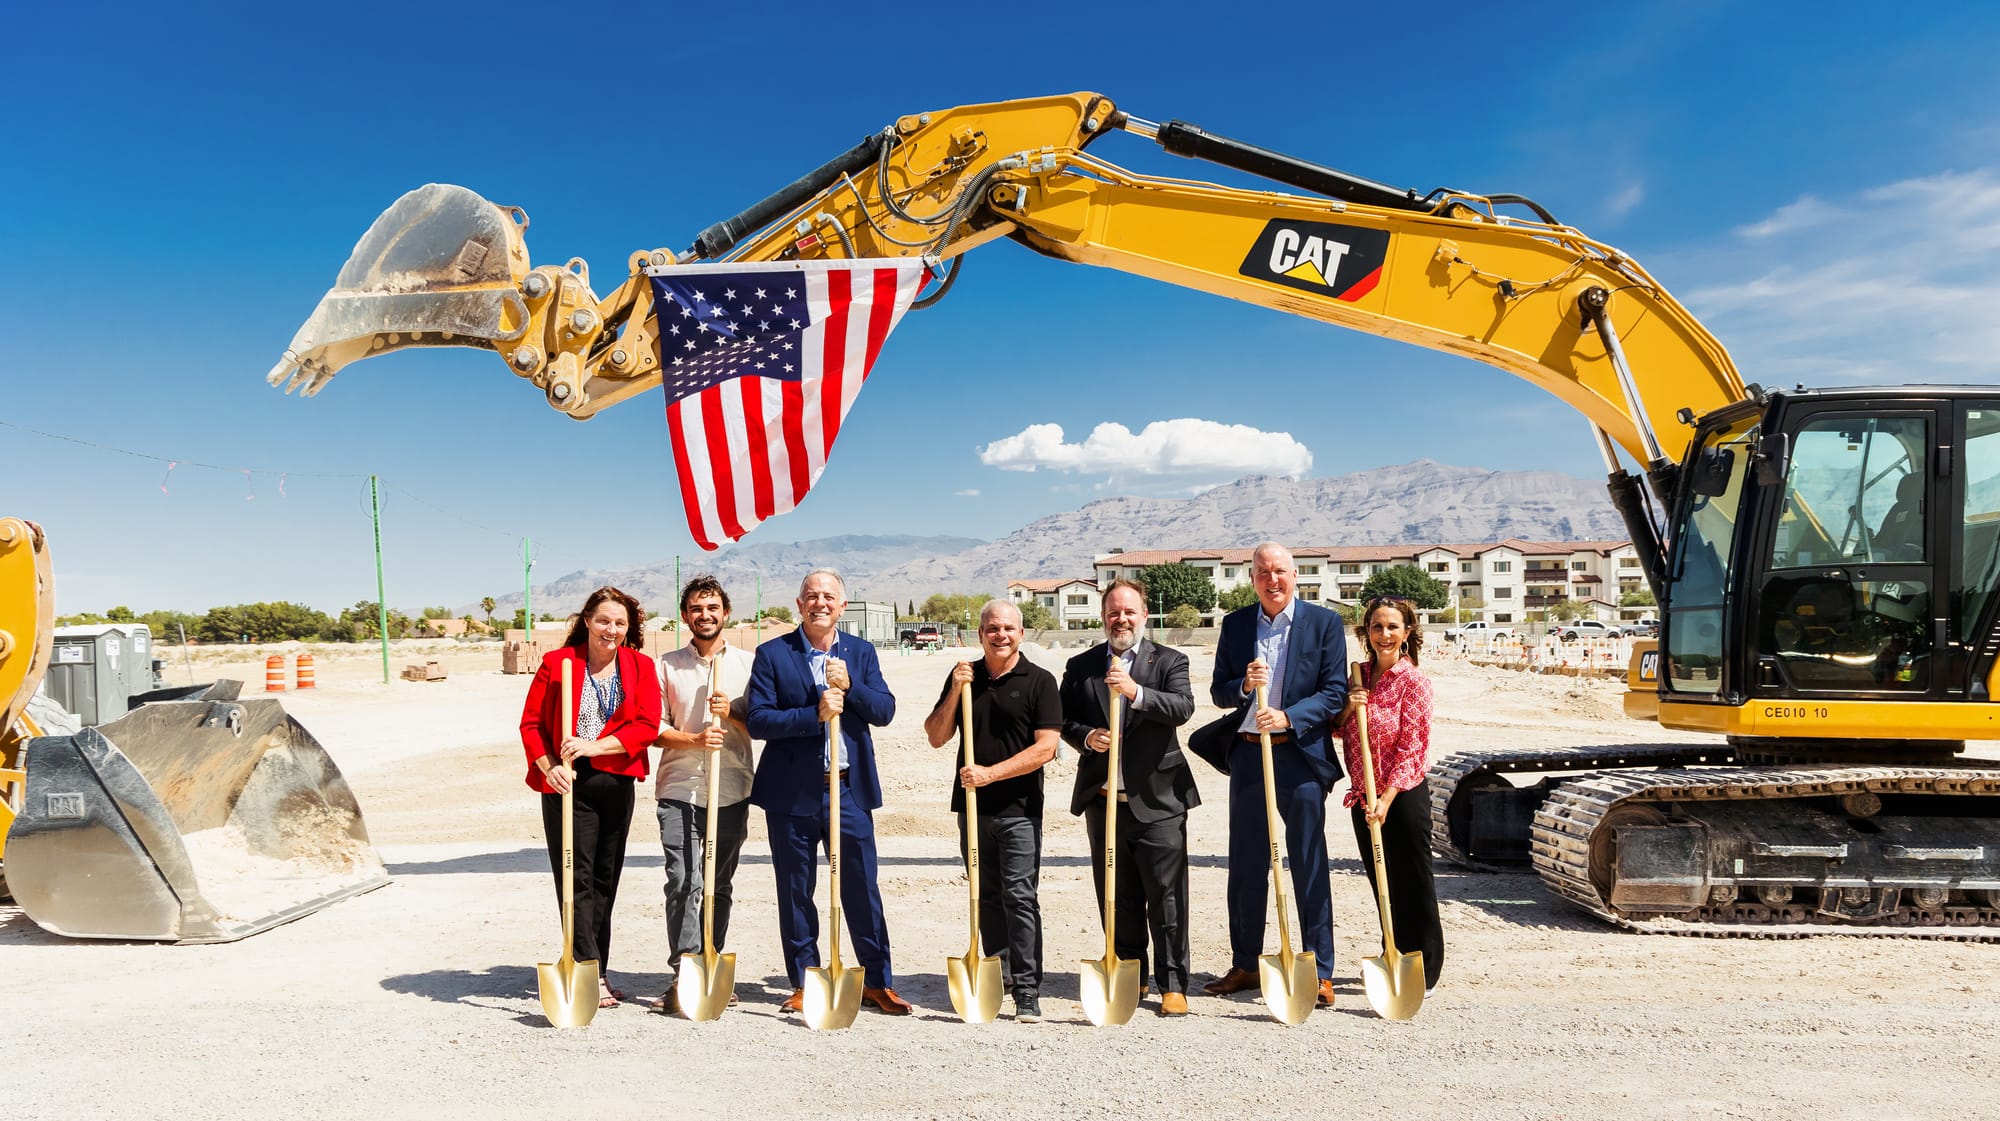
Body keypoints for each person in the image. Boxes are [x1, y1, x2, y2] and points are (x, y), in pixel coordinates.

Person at [1190, 543, 1348, 1009]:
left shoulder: (1324, 623)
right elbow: (1219, 692)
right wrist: (1242, 684)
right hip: (1247, 754)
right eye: (1262, 572)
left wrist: (1288, 716)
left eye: (1279, 571)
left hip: (1297, 754)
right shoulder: (1236, 625)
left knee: (1308, 860)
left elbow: (1335, 691)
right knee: (1245, 862)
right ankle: (1245, 963)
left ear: (1295, 575)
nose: (1272, 579)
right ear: (1252, 578)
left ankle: (1318, 970)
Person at [746, 568, 911, 1015]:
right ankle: (805, 981)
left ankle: (877, 981)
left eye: (829, 597)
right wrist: (813, 714)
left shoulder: (860, 653)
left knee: (861, 887)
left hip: (847, 791)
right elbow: (759, 720)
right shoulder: (771, 654)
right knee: (797, 889)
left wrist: (850, 687)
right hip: (792, 795)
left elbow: (885, 710)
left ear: (842, 606)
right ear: (798, 605)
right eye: (811, 596)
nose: (820, 602)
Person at [1059, 579, 1199, 1017]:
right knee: (1116, 894)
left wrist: (1135, 693)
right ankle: (1130, 973)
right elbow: (1062, 719)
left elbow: (1182, 707)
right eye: (1114, 612)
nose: (1122, 619)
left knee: (1167, 895)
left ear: (1144, 616)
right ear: (1104, 617)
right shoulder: (1080, 666)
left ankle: (1173, 982)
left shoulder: (1170, 660)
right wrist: (1087, 737)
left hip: (1158, 801)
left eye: (1130, 612)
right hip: (1103, 800)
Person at [517, 585, 662, 1010]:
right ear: (587, 621)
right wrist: (551, 767)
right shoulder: (558, 664)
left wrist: (594, 747)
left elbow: (647, 725)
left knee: (604, 881)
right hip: (568, 786)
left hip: (615, 785)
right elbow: (530, 726)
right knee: (574, 880)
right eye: (603, 621)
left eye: (620, 623)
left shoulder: (639, 666)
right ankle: (587, 970)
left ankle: (595, 965)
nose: (611, 630)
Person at [922, 600, 1060, 1022]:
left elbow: (1046, 748)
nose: (1000, 635)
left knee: (1020, 896)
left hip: (1019, 809)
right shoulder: (965, 677)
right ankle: (997, 972)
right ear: (980, 633)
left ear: (1021, 633)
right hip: (973, 810)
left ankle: (1027, 989)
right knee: (985, 895)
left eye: (1008, 628)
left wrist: (990, 775)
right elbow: (936, 736)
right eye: (992, 628)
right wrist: (954, 692)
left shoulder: (1039, 681)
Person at [652, 575, 756, 1015]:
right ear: (685, 616)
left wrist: (731, 710)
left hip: (731, 786)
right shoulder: (667, 665)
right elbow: (652, 729)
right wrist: (692, 740)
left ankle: (712, 963)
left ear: (726, 613)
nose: (705, 615)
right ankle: (686, 970)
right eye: (696, 608)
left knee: (718, 883)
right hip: (679, 786)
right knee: (682, 879)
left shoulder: (750, 664)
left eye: (712, 607)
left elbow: (763, 723)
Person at [1340, 596, 1445, 994]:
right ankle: (1394, 952)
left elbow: (1413, 746)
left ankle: (1426, 968)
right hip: (1364, 798)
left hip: (1402, 797)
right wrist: (1350, 708)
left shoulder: (1414, 682)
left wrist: (1386, 798)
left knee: (1412, 881)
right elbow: (1338, 729)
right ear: (1366, 632)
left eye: (1392, 627)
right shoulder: (1357, 676)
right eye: (1377, 627)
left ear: (1408, 632)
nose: (1384, 634)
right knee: (1382, 882)